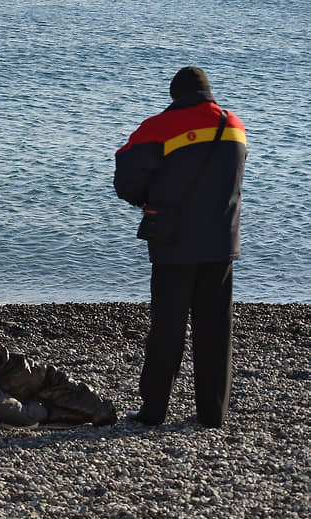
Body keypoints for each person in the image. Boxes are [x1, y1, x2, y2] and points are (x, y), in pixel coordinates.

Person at [114, 66, 247, 427]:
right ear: (209, 92)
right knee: (216, 328)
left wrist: (148, 199)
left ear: (175, 95)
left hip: (174, 240)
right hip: (221, 240)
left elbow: (124, 178)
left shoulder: (157, 126)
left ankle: (154, 410)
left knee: (167, 327)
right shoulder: (235, 125)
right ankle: (212, 412)